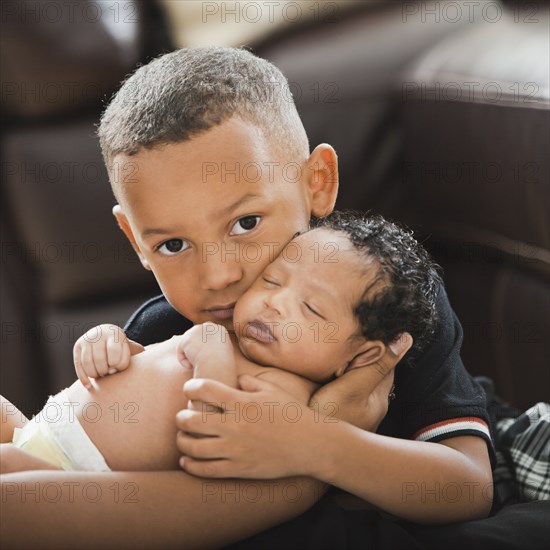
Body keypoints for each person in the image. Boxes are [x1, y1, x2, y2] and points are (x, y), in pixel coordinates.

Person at [1, 46, 494, 549]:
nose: (218, 276)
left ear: (316, 184)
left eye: (245, 223)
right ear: (135, 242)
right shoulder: (162, 331)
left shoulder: (386, 304)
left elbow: (469, 487)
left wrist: (315, 444)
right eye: (172, 245)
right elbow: (86, 472)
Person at [2, 213, 442, 476]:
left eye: (311, 309)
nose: (274, 303)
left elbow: (212, 429)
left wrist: (209, 346)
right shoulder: (224, 335)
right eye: (272, 279)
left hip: (67, 471)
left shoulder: (288, 395)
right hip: (38, 429)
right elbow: (146, 370)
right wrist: (109, 341)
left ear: (361, 356)